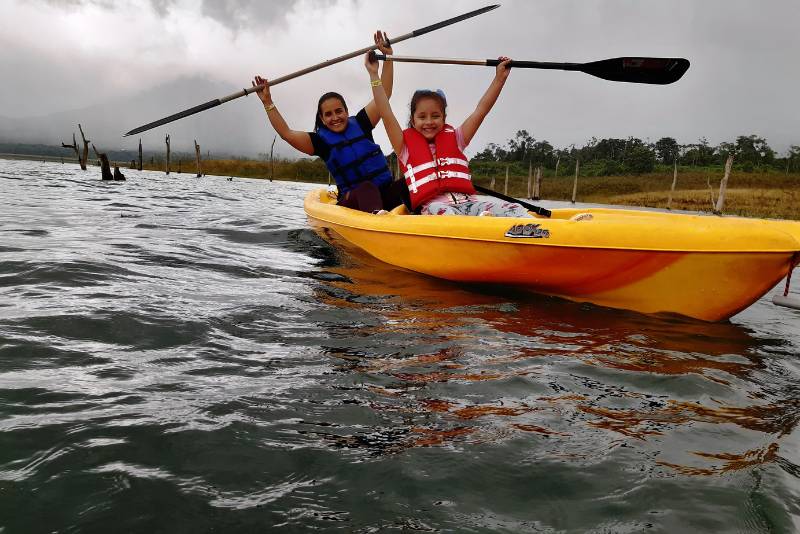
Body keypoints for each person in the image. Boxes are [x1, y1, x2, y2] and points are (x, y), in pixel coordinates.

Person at [253, 31, 404, 214]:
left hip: (384, 195)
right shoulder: (320, 142)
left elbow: (384, 94)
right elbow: (286, 133)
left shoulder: (362, 122)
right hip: (354, 201)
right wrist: (267, 102)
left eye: (339, 111)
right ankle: (378, 222)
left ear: (347, 112)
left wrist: (388, 57)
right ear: (322, 119)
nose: (335, 117)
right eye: (328, 114)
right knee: (366, 188)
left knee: (407, 184)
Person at [365, 52, 532, 217]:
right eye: (422, 117)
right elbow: (385, 112)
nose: (429, 121)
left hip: (469, 204)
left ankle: (533, 229)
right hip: (436, 209)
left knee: (512, 207)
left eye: (435, 116)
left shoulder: (457, 138)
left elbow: (481, 111)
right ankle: (479, 227)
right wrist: (374, 75)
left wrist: (499, 79)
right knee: (441, 210)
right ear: (413, 120)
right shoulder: (404, 147)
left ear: (444, 118)